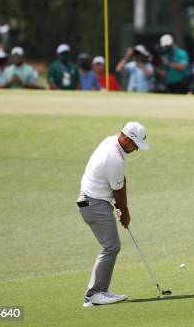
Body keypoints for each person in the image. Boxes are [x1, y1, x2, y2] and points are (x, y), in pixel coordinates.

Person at [77, 122, 149, 307]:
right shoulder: (114, 158)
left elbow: (120, 181)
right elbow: (118, 190)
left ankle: (100, 291)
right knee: (111, 247)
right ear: (126, 139)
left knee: (111, 246)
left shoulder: (111, 141)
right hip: (94, 204)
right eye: (135, 145)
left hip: (90, 200)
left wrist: (119, 207)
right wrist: (124, 211)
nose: (135, 150)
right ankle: (94, 294)